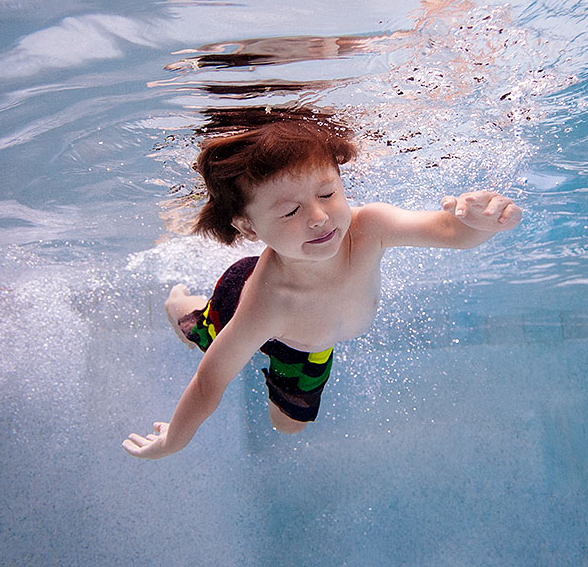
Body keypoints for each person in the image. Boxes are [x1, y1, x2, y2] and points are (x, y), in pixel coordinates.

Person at [122, 111, 521, 459]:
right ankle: (179, 304)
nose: (318, 217)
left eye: (327, 193)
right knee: (199, 334)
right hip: (237, 299)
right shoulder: (266, 303)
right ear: (248, 227)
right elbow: (210, 381)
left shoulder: (370, 228)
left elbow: (452, 231)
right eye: (290, 211)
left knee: (288, 426)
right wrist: (173, 440)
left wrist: (483, 223)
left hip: (309, 346)